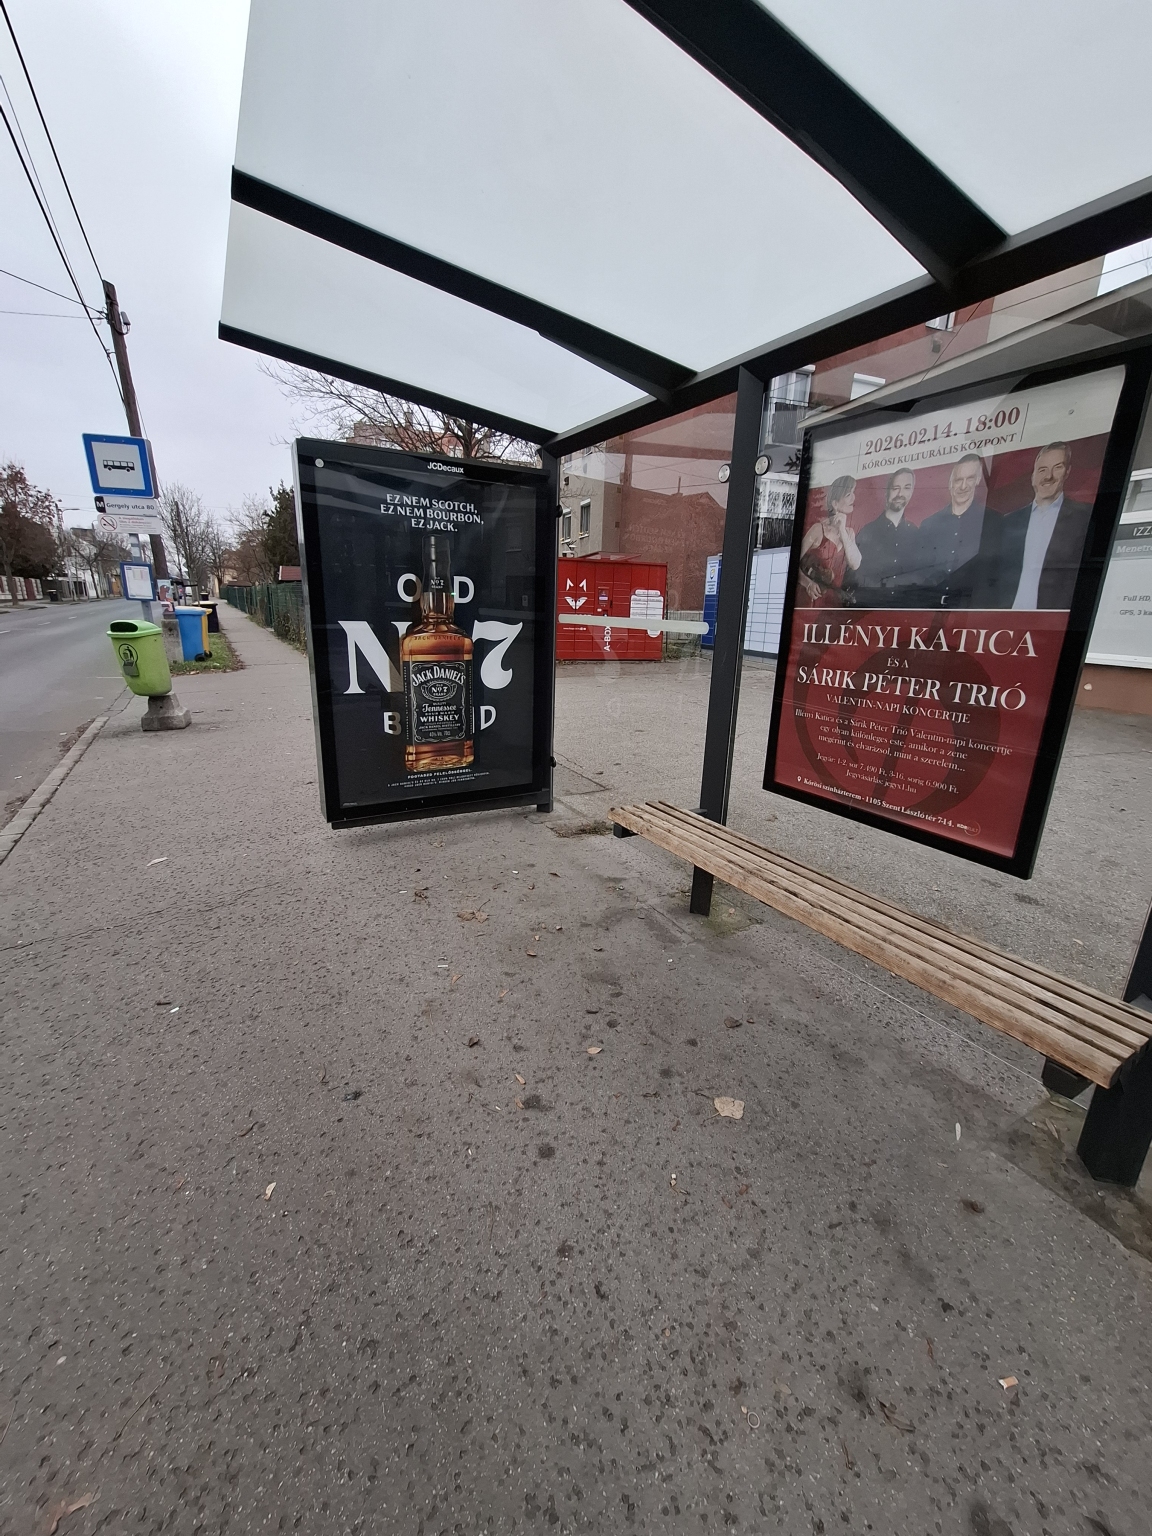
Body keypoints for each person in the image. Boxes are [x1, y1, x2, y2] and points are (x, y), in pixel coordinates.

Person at [979, 442, 1091, 610]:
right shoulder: (1008, 522)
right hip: (1005, 618)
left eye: (1057, 468)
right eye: (1042, 470)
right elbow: (991, 577)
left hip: (1052, 621)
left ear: (1067, 472)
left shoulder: (1084, 517)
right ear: (1033, 476)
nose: (1048, 476)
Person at [914, 453, 987, 606]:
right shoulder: (929, 525)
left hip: (970, 612)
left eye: (970, 479)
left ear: (978, 480)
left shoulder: (990, 521)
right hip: (929, 609)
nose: (963, 486)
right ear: (950, 483)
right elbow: (919, 574)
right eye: (958, 480)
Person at [849, 466, 921, 607]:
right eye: (895, 488)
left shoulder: (915, 533)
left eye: (906, 488)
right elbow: (853, 578)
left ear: (912, 491)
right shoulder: (867, 532)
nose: (900, 493)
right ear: (887, 491)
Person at [798, 475, 861, 607]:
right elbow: (792, 562)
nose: (854, 498)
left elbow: (855, 564)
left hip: (833, 603)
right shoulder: (818, 529)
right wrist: (807, 583)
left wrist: (842, 530)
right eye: (848, 494)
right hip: (812, 600)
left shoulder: (849, 533)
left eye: (853, 492)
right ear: (835, 504)